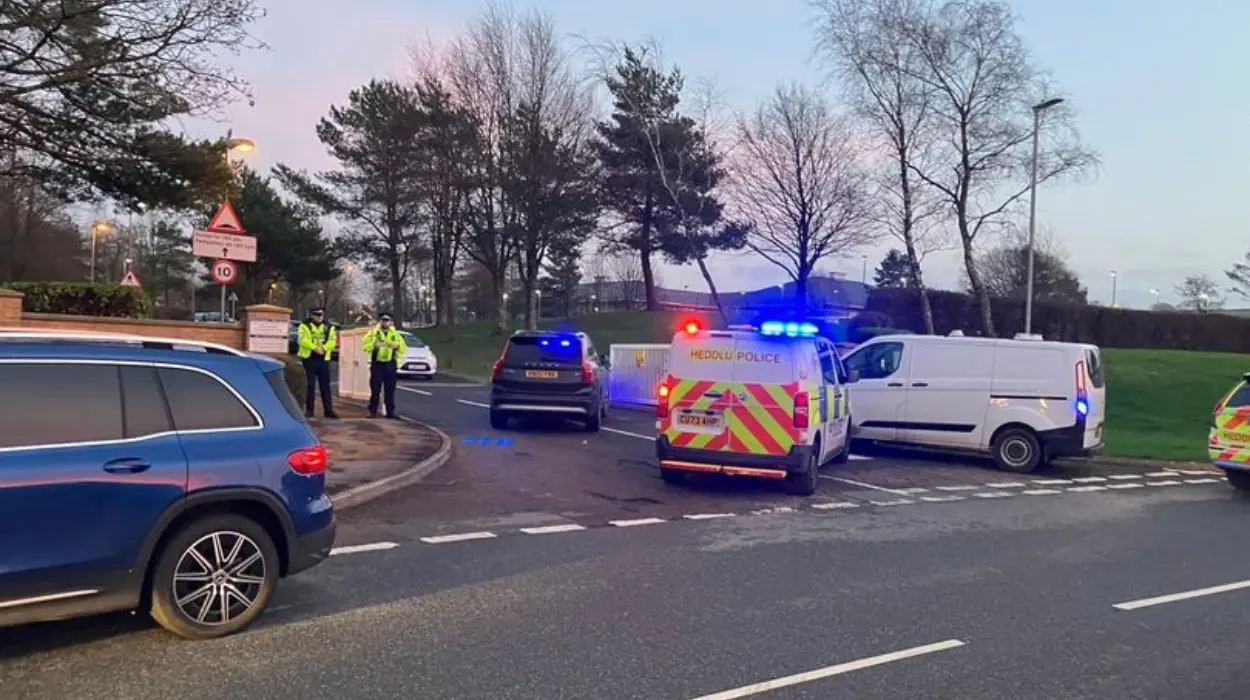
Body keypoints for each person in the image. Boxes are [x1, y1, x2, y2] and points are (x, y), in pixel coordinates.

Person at [362, 313, 407, 419]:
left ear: (391, 322)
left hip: (390, 363)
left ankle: (390, 412)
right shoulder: (373, 333)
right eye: (383, 320)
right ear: (380, 321)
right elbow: (364, 345)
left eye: (387, 320)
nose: (385, 322)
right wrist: (373, 345)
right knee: (375, 389)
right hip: (377, 364)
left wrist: (397, 345)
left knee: (390, 389)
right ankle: (372, 411)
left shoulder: (395, 334)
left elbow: (403, 348)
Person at [296, 307, 339, 419]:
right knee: (310, 385)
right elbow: (302, 340)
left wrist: (324, 349)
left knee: (325, 385)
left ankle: (328, 411)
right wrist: (314, 348)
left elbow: (332, 341)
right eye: (317, 315)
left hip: (323, 359)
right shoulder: (304, 325)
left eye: (321, 315)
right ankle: (310, 410)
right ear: (312, 315)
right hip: (309, 358)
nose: (319, 317)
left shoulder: (329, 326)